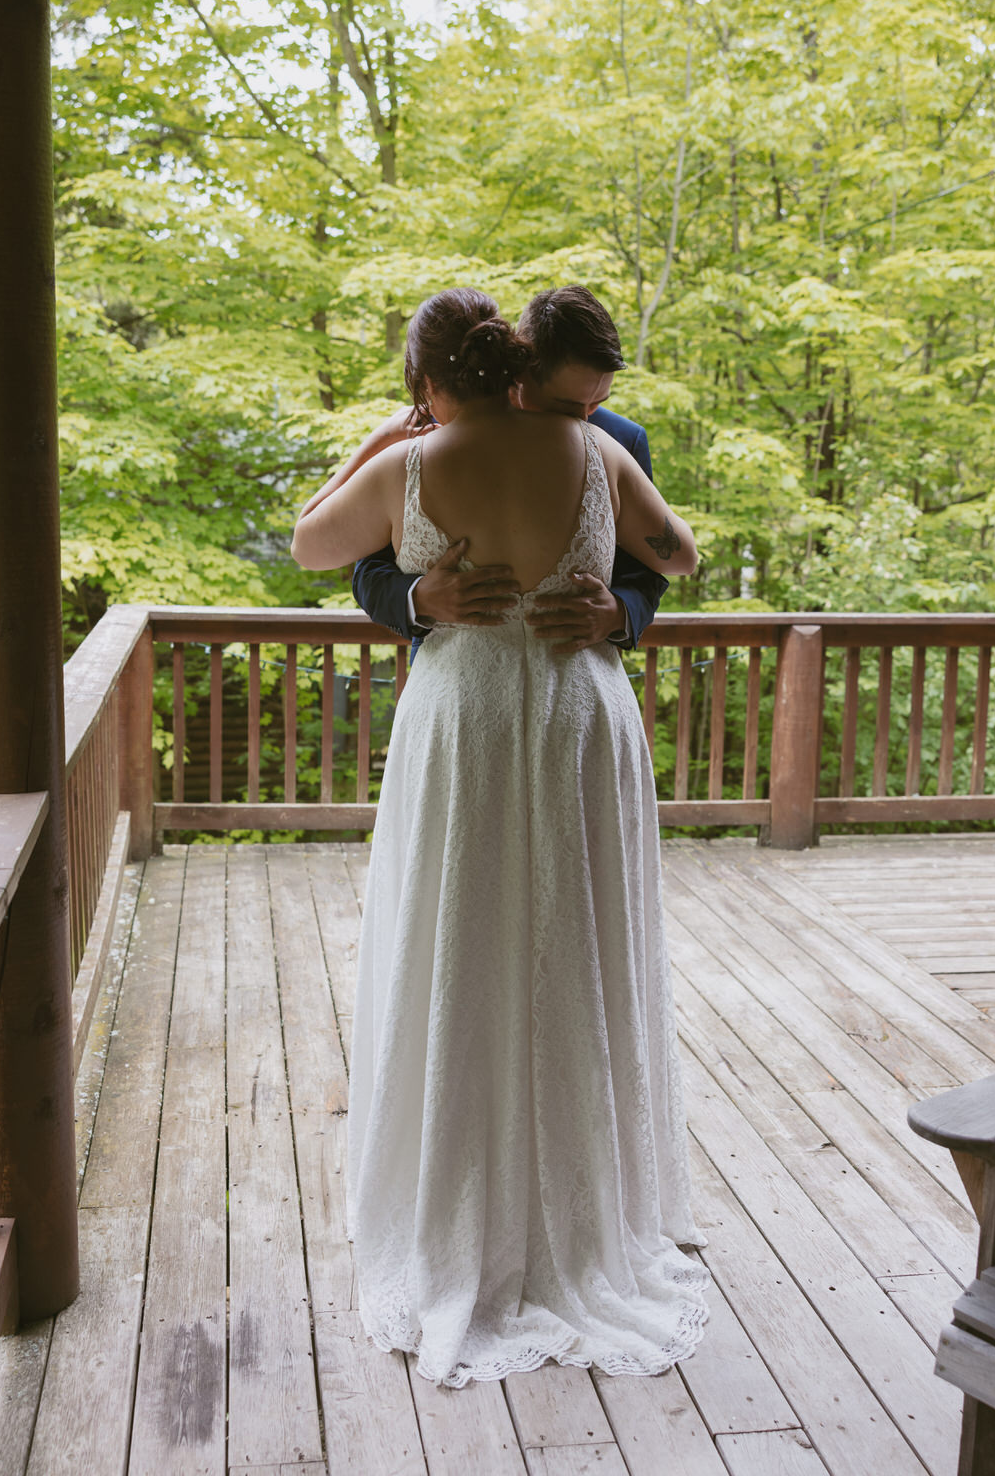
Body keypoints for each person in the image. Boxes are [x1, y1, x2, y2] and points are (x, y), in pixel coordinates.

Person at [291, 287, 708, 1389]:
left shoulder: (412, 460)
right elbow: (678, 550)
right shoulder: (593, 449)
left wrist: (387, 435)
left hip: (471, 719)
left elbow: (308, 543)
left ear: (427, 382)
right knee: (531, 937)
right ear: (516, 364)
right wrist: (426, 596)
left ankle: (471, 1215)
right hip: (571, 712)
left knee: (480, 936)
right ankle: (575, 1225)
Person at [344, 285, 669, 656]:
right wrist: (415, 598)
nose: (583, 420)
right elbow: (368, 567)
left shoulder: (621, 439)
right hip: (452, 680)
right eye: (566, 403)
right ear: (522, 367)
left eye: (597, 402)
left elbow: (648, 565)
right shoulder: (437, 433)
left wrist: (619, 612)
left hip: (577, 674)